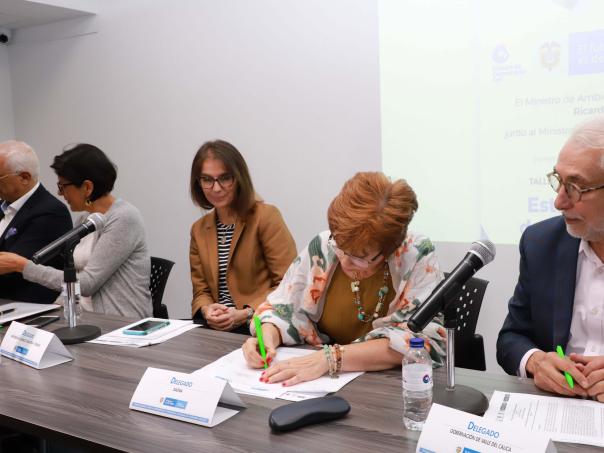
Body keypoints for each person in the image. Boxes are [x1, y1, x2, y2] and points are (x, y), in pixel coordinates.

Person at [242, 172, 446, 386]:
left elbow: (424, 340)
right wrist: (268, 338)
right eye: (339, 245)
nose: (345, 261)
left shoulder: (415, 254)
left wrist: (331, 358)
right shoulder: (323, 247)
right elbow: (282, 309)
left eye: (359, 257)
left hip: (389, 386)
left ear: (388, 250)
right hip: (321, 382)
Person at [497, 116, 604, 402]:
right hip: (556, 411)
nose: (559, 202)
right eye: (558, 181)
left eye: (575, 188)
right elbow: (511, 337)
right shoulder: (541, 243)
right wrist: (535, 361)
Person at [0, 143, 152, 318]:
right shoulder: (85, 219)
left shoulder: (124, 217)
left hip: (120, 321)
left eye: (62, 186)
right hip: (83, 316)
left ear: (87, 187)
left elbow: (87, 284)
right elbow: (72, 276)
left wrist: (22, 266)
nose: (59, 193)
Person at [189, 139, 297, 334]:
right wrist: (207, 310)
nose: (216, 188)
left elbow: (288, 283)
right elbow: (201, 291)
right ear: (198, 183)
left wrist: (246, 312)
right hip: (216, 329)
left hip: (260, 325)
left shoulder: (266, 217)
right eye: (207, 179)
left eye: (225, 178)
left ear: (239, 178)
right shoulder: (198, 229)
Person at [0, 140, 72, 303]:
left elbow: (10, 266)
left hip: (25, 308)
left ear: (24, 177)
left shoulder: (51, 212)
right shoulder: (4, 205)